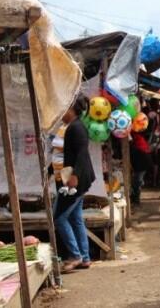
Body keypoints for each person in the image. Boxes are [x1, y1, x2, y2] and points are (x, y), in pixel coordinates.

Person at [56, 96, 95, 272]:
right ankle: (85, 257)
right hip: (77, 178)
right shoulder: (73, 127)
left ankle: (75, 255)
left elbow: (81, 154)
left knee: (60, 217)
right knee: (75, 218)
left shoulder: (76, 128)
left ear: (71, 109)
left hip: (76, 180)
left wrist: (75, 177)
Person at [130, 130, 152, 207]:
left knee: (137, 181)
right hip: (142, 160)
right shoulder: (137, 137)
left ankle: (136, 200)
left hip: (141, 161)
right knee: (137, 181)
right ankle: (135, 198)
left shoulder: (134, 138)